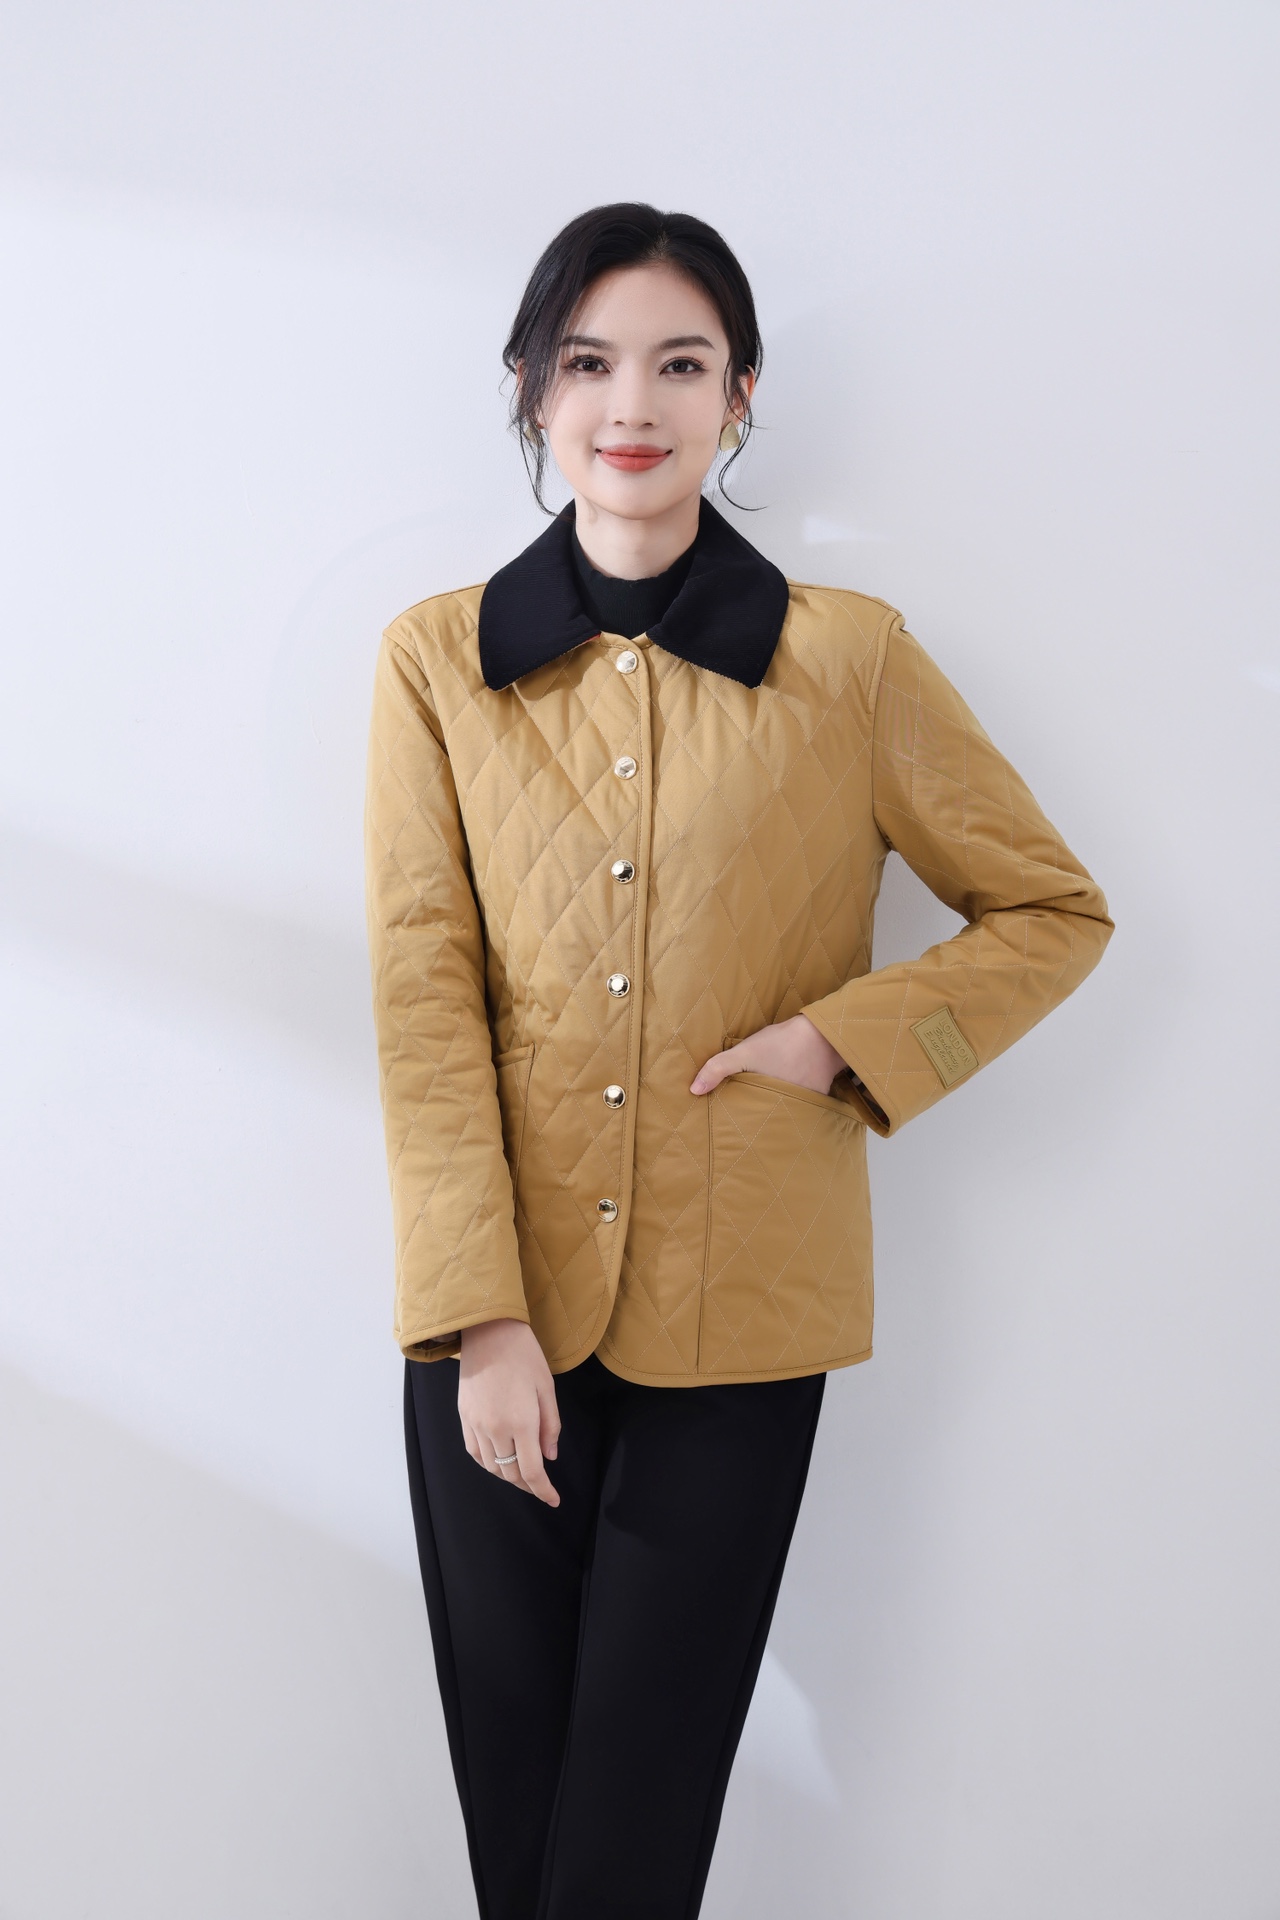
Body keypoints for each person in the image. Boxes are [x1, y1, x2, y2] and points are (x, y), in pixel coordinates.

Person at [363, 202, 1113, 1920]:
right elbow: (424, 998)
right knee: (520, 1826)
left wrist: (840, 1041)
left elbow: (1050, 910)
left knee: (636, 1825)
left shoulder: (850, 659)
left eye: (681, 364)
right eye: (589, 362)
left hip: (746, 1314)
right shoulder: (434, 662)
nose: (633, 403)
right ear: (533, 389)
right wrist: (477, 1317)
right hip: (498, 1320)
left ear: (742, 395)